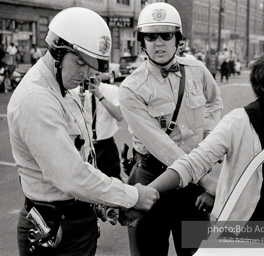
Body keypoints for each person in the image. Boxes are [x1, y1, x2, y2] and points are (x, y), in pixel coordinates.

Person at [7, 7, 159, 256]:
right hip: (53, 228)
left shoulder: (62, 87)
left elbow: (82, 159)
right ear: (57, 51)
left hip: (72, 221)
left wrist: (103, 204)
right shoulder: (37, 99)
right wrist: (131, 196)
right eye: (79, 63)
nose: (85, 74)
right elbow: (70, 175)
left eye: (91, 67)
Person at [147, 44, 264, 242]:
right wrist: (147, 192)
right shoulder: (239, 121)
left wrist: (220, 193)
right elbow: (192, 164)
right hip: (240, 234)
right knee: (191, 240)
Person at [118, 3, 223, 256]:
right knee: (149, 251)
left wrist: (209, 137)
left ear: (179, 39)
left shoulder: (196, 71)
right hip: (153, 180)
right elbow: (159, 145)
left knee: (197, 251)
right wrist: (205, 178)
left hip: (193, 187)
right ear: (142, 42)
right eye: (151, 36)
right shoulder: (131, 88)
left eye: (167, 35)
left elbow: (214, 102)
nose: (159, 43)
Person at [74, 71, 123, 180]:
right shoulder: (75, 91)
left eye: (97, 74)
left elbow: (119, 116)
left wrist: (100, 95)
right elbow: (71, 121)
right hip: (84, 145)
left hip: (106, 146)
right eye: (90, 74)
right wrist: (79, 103)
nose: (93, 78)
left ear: (103, 74)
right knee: (85, 183)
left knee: (113, 181)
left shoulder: (112, 90)